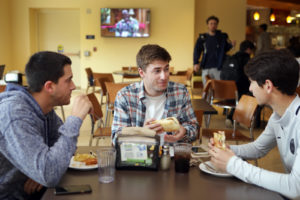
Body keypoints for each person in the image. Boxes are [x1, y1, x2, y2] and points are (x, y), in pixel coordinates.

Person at [208, 49, 300, 199]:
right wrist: (229, 150)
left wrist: (232, 164)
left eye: (251, 82)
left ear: (268, 86)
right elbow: (258, 148)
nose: (250, 89)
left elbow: (295, 186)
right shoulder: (278, 115)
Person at [0, 51, 92, 199]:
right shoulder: (14, 113)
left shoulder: (44, 108)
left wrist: (39, 173)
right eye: (69, 80)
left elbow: (63, 152)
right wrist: (74, 119)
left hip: (33, 191)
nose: (74, 86)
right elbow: (50, 172)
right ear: (49, 86)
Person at [111, 44, 199, 145]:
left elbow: (193, 128)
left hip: (171, 155)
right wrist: (142, 133)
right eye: (157, 71)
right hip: (139, 157)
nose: (164, 76)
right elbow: (116, 138)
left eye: (166, 69)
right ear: (141, 73)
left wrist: (185, 132)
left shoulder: (181, 92)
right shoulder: (125, 96)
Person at [193, 15, 235, 85]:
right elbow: (197, 50)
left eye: (215, 24)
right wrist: (195, 63)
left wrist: (231, 46)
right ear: (208, 25)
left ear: (217, 25)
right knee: (207, 89)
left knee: (218, 88)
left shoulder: (222, 37)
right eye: (211, 23)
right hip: (206, 68)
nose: (213, 25)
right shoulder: (203, 38)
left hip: (218, 68)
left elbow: (224, 49)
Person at [223, 40, 255, 127]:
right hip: (241, 90)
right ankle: (244, 120)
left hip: (226, 92)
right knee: (254, 93)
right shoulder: (247, 60)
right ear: (248, 49)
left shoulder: (231, 57)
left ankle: (231, 117)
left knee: (244, 95)